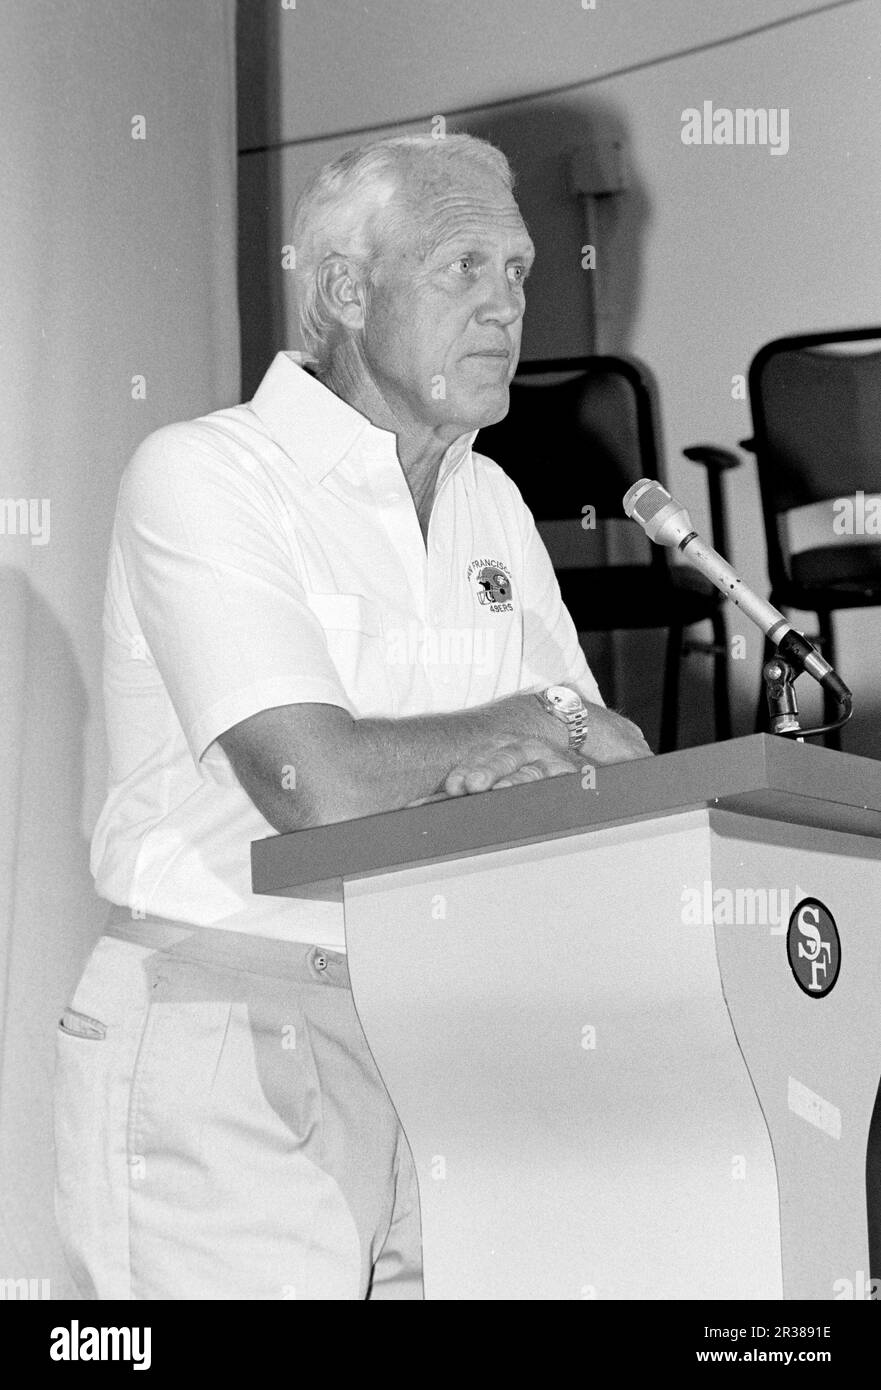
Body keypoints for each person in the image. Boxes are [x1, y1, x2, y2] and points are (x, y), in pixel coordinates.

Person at [54, 132, 651, 1301]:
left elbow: (606, 764)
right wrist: (515, 729)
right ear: (342, 290)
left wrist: (519, 750)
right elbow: (312, 785)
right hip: (233, 1018)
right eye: (461, 267)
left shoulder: (494, 501)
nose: (505, 305)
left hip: (446, 1037)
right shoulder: (207, 473)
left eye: (520, 271)